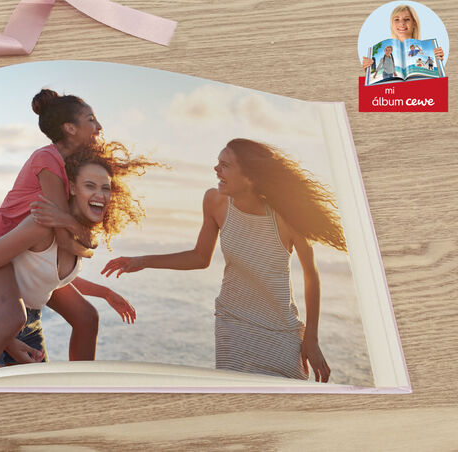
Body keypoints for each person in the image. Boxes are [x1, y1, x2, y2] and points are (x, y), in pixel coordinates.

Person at [102, 139, 344, 382]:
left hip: (280, 329)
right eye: (218, 164)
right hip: (233, 322)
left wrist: (311, 337)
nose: (216, 170)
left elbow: (311, 275)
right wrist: (142, 261)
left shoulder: (285, 218)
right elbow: (199, 257)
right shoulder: (215, 202)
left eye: (225, 165)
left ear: (250, 177)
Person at [0, 145, 150, 381]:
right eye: (90, 185)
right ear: (73, 188)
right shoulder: (42, 224)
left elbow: (51, 277)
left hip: (30, 327)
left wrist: (106, 293)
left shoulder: (77, 236)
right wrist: (6, 338)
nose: (100, 194)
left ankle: (81, 394)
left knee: (38, 410)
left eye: (105, 188)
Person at [0, 88, 115, 366]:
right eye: (91, 119)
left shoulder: (73, 166)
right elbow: (65, 239)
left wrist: (86, 241)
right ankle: (8, 342)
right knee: (11, 318)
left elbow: (72, 239)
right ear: (70, 128)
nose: (98, 126)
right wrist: (74, 228)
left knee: (86, 316)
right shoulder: (48, 159)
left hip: (17, 245)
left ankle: (82, 386)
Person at [362, 4, 444, 70]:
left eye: (407, 19)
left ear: (414, 23)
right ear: (392, 24)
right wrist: (368, 70)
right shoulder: (382, 51)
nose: (401, 23)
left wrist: (439, 62)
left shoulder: (428, 49)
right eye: (397, 19)